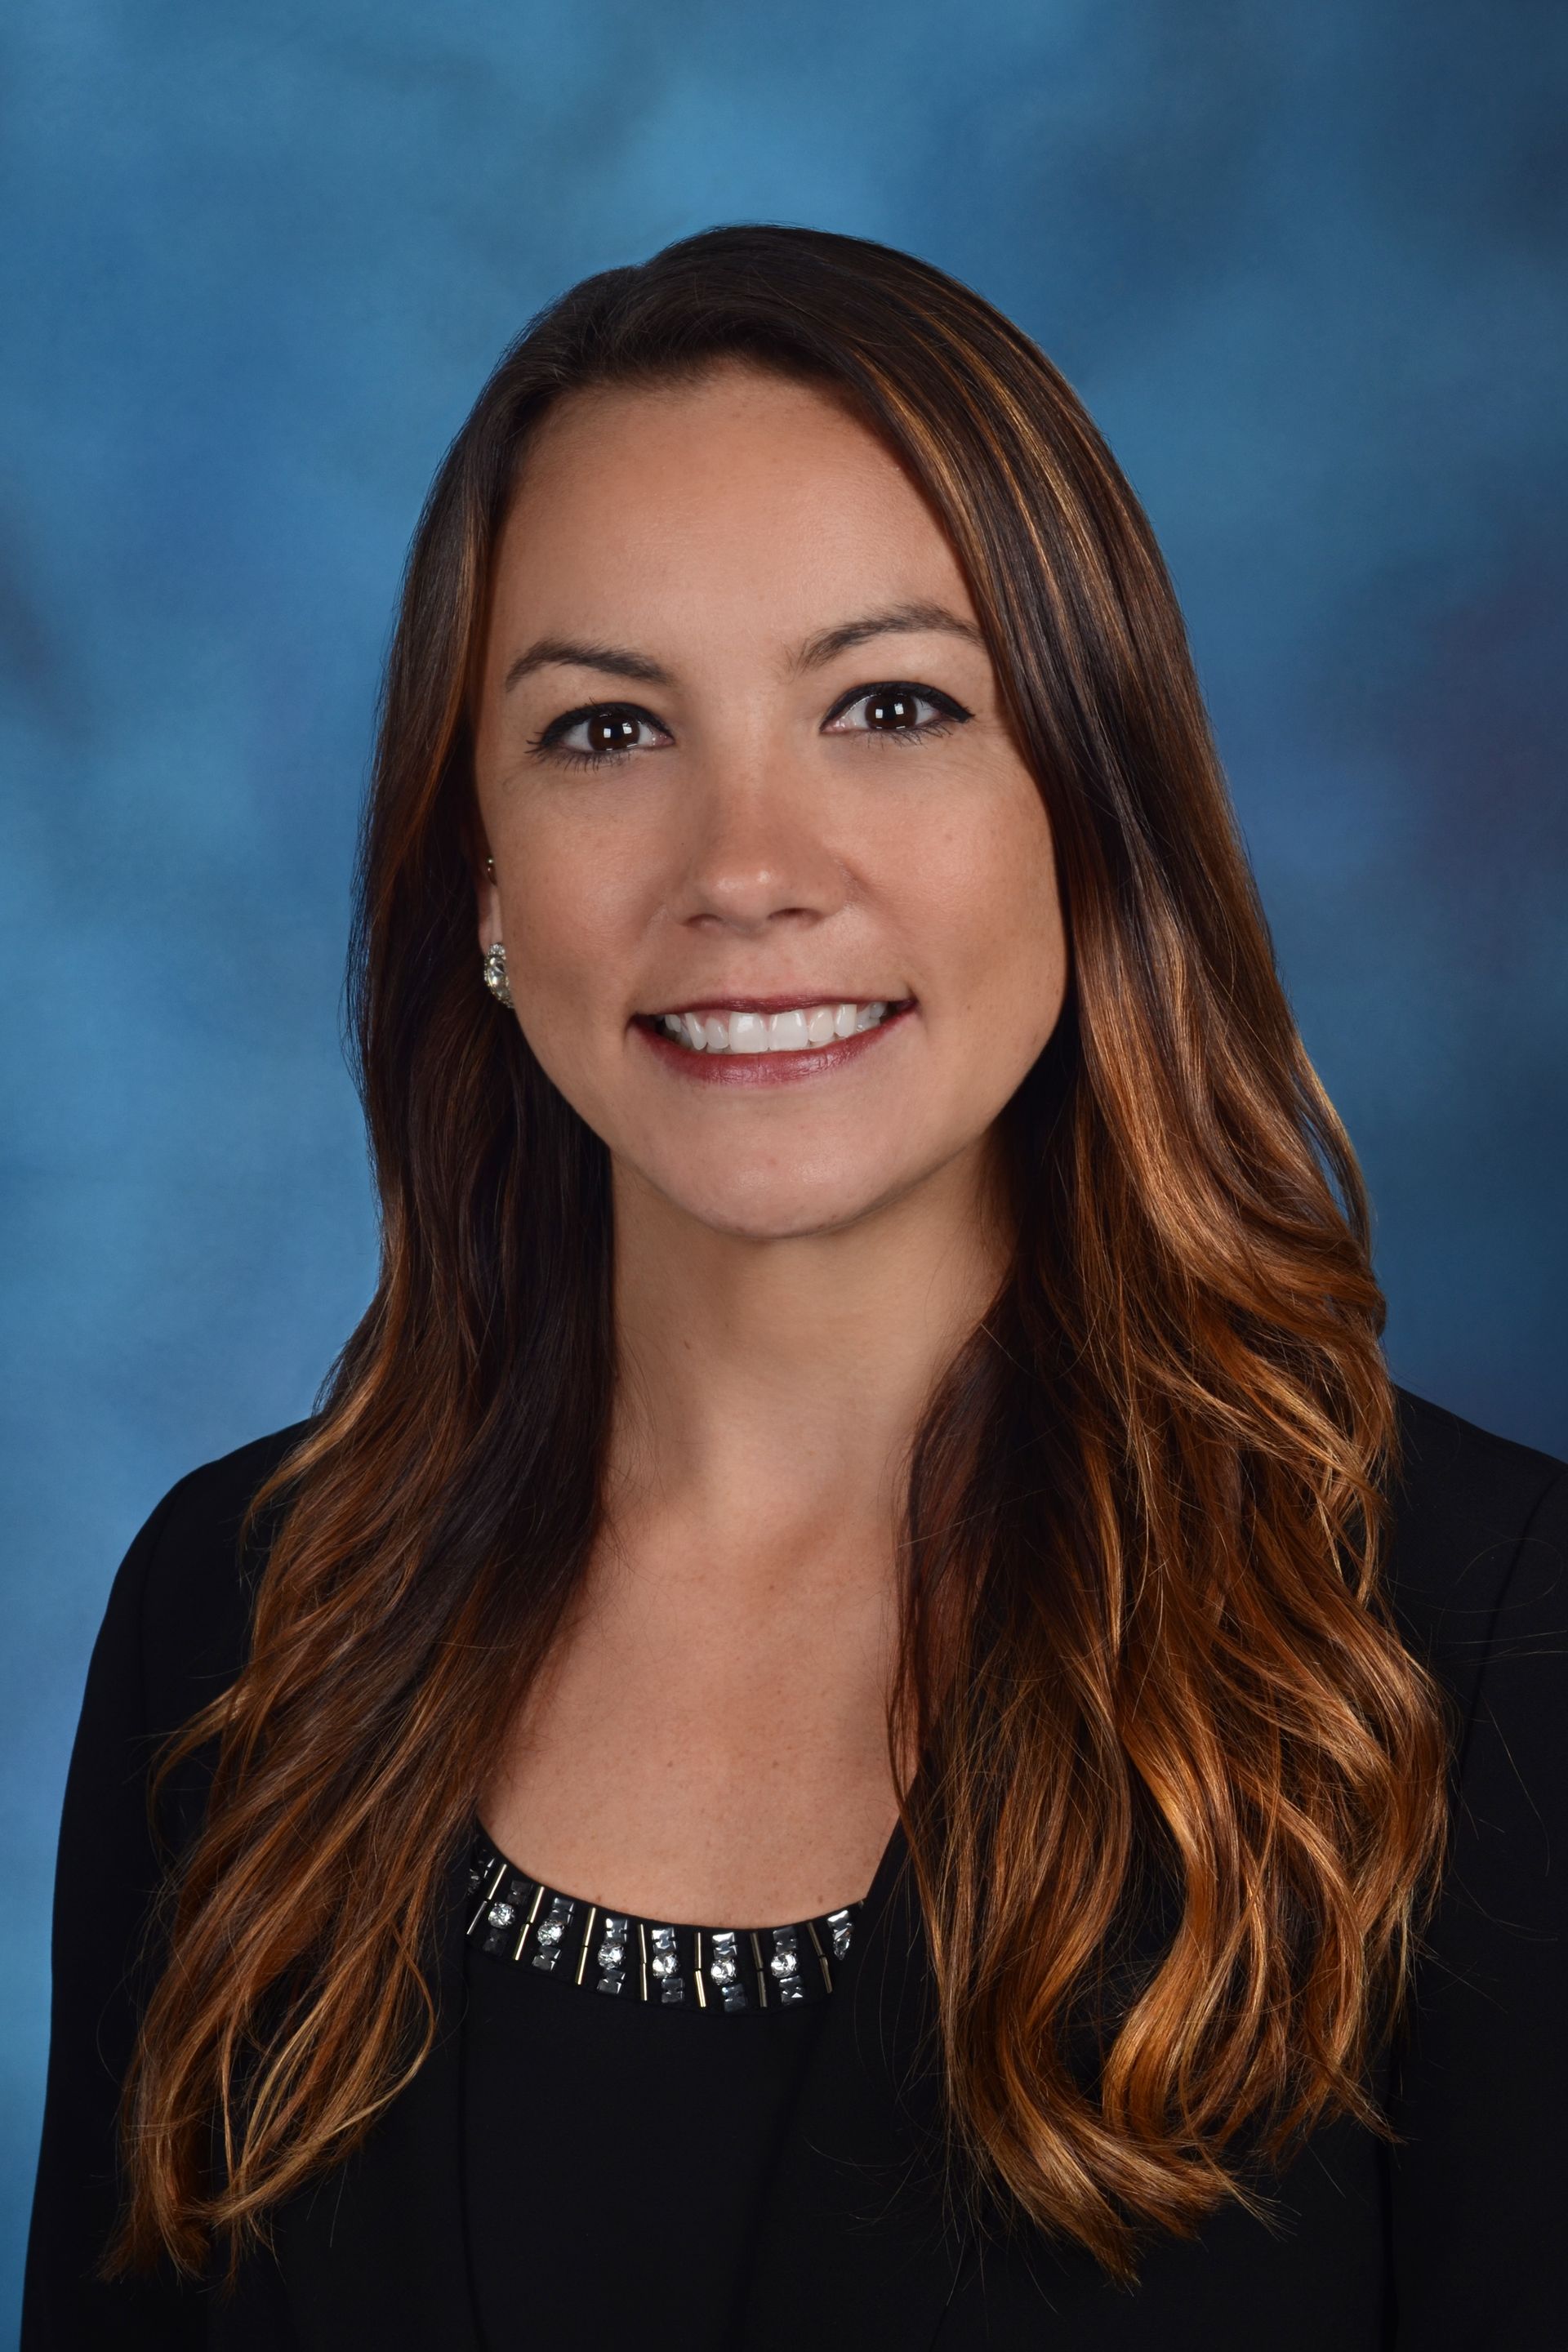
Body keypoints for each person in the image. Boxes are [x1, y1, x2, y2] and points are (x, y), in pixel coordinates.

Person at [22, 225, 1566, 2351]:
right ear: (478, 868)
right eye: (605, 731)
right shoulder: (231, 1621)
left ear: (1091, 813)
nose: (748, 865)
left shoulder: (1489, 1655)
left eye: (894, 705)